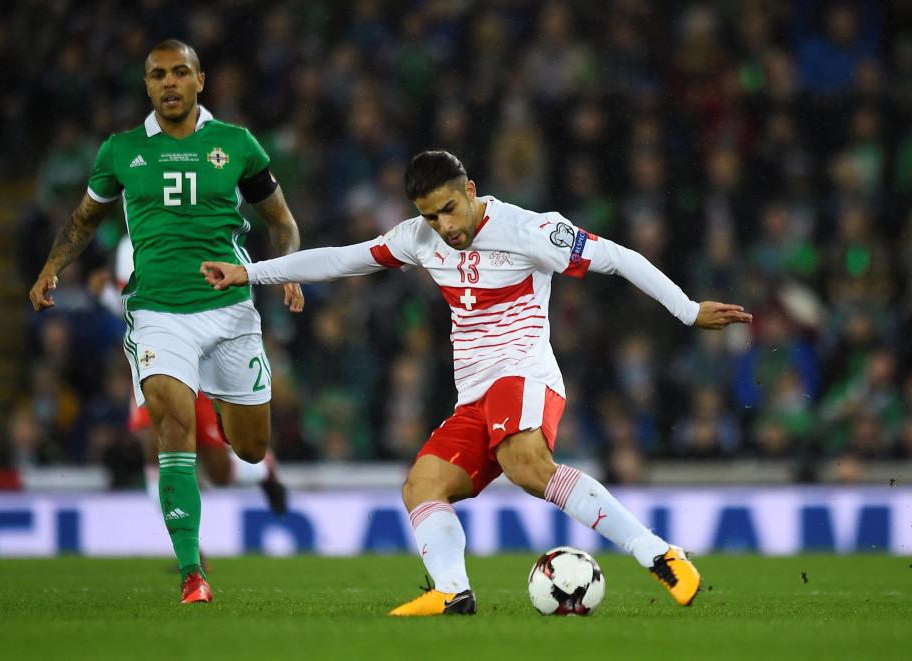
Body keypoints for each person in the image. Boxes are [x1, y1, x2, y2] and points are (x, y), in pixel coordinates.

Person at [202, 150, 752, 615]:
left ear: (470, 189)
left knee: (526, 467)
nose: (444, 226)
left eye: (449, 208)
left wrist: (686, 310)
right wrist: (250, 272)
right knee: (422, 487)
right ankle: (451, 591)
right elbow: (345, 259)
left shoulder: (530, 230)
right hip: (476, 394)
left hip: (524, 374)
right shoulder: (420, 237)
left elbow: (618, 256)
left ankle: (658, 553)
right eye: (430, 215)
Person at [29, 40, 304, 605]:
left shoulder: (237, 144)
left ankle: (254, 460)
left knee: (247, 450)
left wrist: (288, 271)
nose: (170, 83)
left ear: (201, 80)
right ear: (148, 85)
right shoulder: (122, 152)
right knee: (171, 429)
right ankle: (192, 572)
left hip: (230, 311)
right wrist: (51, 268)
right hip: (157, 312)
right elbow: (84, 220)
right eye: (159, 75)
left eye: (181, 72)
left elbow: (281, 222)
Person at [113, 236, 288, 520]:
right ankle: (187, 545)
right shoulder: (130, 243)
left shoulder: (211, 232)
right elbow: (126, 300)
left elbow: (240, 299)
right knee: (152, 445)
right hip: (158, 352)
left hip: (205, 358)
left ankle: (263, 469)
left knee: (219, 472)